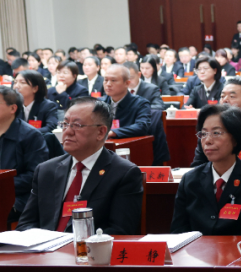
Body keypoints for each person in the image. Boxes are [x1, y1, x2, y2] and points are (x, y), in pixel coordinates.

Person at [18, 97, 143, 235]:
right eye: (65, 124)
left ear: (101, 132)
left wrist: (74, 243)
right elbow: (25, 224)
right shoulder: (46, 170)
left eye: (77, 125)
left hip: (88, 247)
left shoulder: (123, 173)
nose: (68, 131)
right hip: (46, 246)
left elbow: (120, 231)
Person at [171, 105, 241, 236]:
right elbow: (178, 232)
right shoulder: (190, 180)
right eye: (203, 134)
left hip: (240, 248)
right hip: (197, 249)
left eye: (216, 133)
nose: (208, 141)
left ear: (236, 138)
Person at [0, 87, 48, 218]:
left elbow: (35, 175)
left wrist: (3, 186)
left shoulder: (30, 135)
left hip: (18, 198)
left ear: (13, 108)